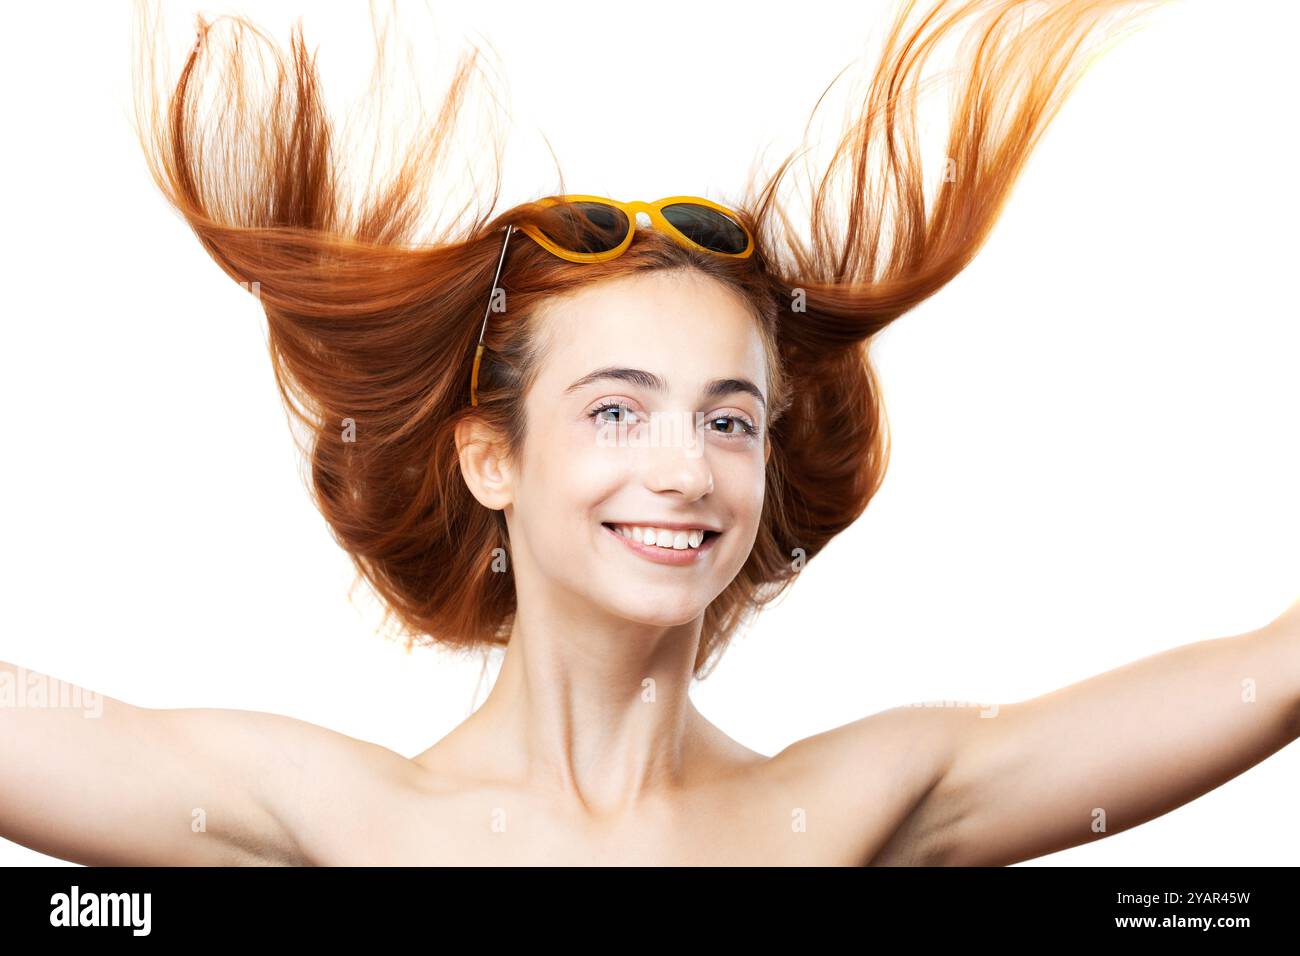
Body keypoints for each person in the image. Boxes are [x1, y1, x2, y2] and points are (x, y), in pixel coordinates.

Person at [2, 0, 1295, 866]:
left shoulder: (845, 813)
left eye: (729, 419)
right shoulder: (346, 821)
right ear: (490, 456)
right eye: (616, 409)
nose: (686, 467)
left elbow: (1271, 671)